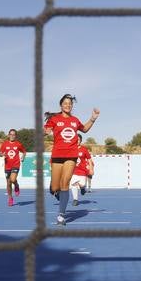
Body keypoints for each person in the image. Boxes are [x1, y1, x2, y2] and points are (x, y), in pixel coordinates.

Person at [43, 94, 100, 225]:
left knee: (65, 183)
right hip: (57, 156)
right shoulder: (54, 119)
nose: (68, 105)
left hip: (71, 155)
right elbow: (46, 130)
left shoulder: (75, 120)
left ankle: (61, 215)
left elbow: (84, 129)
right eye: (65, 103)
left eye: (70, 103)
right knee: (55, 187)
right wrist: (44, 131)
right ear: (61, 105)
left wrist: (93, 118)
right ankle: (56, 190)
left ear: (72, 106)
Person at [0, 129, 26, 206]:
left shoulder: (18, 144)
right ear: (8, 135)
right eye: (11, 134)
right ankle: (10, 198)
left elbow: (24, 151)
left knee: (13, 179)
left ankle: (16, 185)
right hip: (7, 166)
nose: (12, 136)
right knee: (8, 183)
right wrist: (2, 154)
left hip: (16, 164)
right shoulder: (5, 144)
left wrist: (23, 157)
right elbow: (0, 154)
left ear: (15, 136)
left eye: (14, 135)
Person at [69, 135, 94, 205]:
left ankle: (83, 188)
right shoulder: (70, 149)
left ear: (81, 141)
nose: (77, 141)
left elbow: (89, 159)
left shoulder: (84, 149)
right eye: (75, 140)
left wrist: (91, 169)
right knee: (73, 184)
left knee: (82, 184)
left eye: (79, 140)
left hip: (82, 171)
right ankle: (75, 200)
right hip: (73, 171)